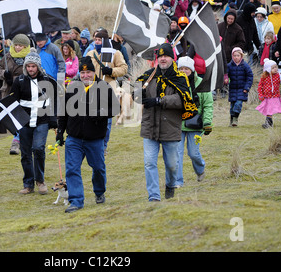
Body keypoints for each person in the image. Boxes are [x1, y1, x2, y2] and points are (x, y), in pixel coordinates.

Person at [135, 43, 198, 201]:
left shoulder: (180, 78)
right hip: (150, 127)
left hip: (170, 127)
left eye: (166, 56)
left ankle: (170, 185)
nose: (163, 59)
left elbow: (183, 100)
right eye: (160, 56)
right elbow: (136, 95)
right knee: (149, 163)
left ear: (172, 58)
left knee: (171, 165)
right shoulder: (149, 76)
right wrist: (138, 92)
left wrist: (158, 100)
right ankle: (154, 196)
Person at [56, 57, 120, 213]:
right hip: (74, 138)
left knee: (98, 168)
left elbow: (115, 109)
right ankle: (76, 200)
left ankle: (99, 191)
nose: (85, 75)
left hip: (95, 139)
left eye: (88, 72)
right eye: (82, 72)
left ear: (94, 72)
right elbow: (64, 112)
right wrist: (60, 132)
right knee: (72, 169)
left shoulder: (103, 87)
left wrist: (99, 114)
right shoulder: (72, 88)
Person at [10, 49, 57, 195]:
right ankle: (28, 183)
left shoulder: (47, 80)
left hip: (41, 120)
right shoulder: (19, 81)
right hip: (25, 121)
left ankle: (40, 181)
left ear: (38, 66)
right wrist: (15, 122)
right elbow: (14, 102)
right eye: (28, 66)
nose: (31, 69)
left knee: (38, 149)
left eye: (33, 66)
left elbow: (53, 101)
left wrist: (53, 119)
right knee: (25, 153)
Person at [86, 29, 127, 155]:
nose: (97, 42)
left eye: (99, 40)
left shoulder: (115, 53)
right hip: (92, 88)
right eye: (96, 40)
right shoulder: (90, 53)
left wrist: (111, 71)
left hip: (108, 88)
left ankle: (103, 146)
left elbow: (124, 68)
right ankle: (92, 142)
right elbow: (84, 68)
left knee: (106, 120)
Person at [175, 57, 213, 187]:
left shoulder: (202, 83)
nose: (184, 71)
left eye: (187, 69)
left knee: (193, 152)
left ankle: (200, 169)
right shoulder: (174, 83)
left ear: (192, 70)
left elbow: (208, 105)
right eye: (181, 68)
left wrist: (207, 123)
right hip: (178, 125)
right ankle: (178, 182)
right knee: (177, 154)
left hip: (196, 126)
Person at [0, 33, 30, 155]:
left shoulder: (30, 57)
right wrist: (4, 74)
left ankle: (16, 142)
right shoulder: (7, 56)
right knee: (12, 117)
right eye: (16, 45)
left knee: (21, 116)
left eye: (20, 46)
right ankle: (19, 139)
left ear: (25, 46)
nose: (17, 48)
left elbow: (31, 72)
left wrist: (15, 78)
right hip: (8, 90)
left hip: (24, 91)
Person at [256, 59, 281, 128]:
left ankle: (268, 123)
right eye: (273, 68)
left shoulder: (278, 76)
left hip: (275, 96)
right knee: (268, 110)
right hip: (266, 96)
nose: (275, 69)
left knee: (269, 110)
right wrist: (260, 94)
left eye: (276, 67)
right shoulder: (264, 77)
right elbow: (260, 86)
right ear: (268, 69)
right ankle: (269, 123)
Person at [226, 47, 253, 127]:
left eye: (238, 55)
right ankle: (231, 120)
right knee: (232, 106)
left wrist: (247, 88)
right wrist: (226, 79)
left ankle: (235, 119)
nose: (236, 57)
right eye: (234, 56)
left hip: (242, 89)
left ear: (241, 56)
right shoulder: (229, 66)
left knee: (238, 104)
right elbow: (226, 74)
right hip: (233, 88)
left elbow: (250, 76)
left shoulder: (245, 66)